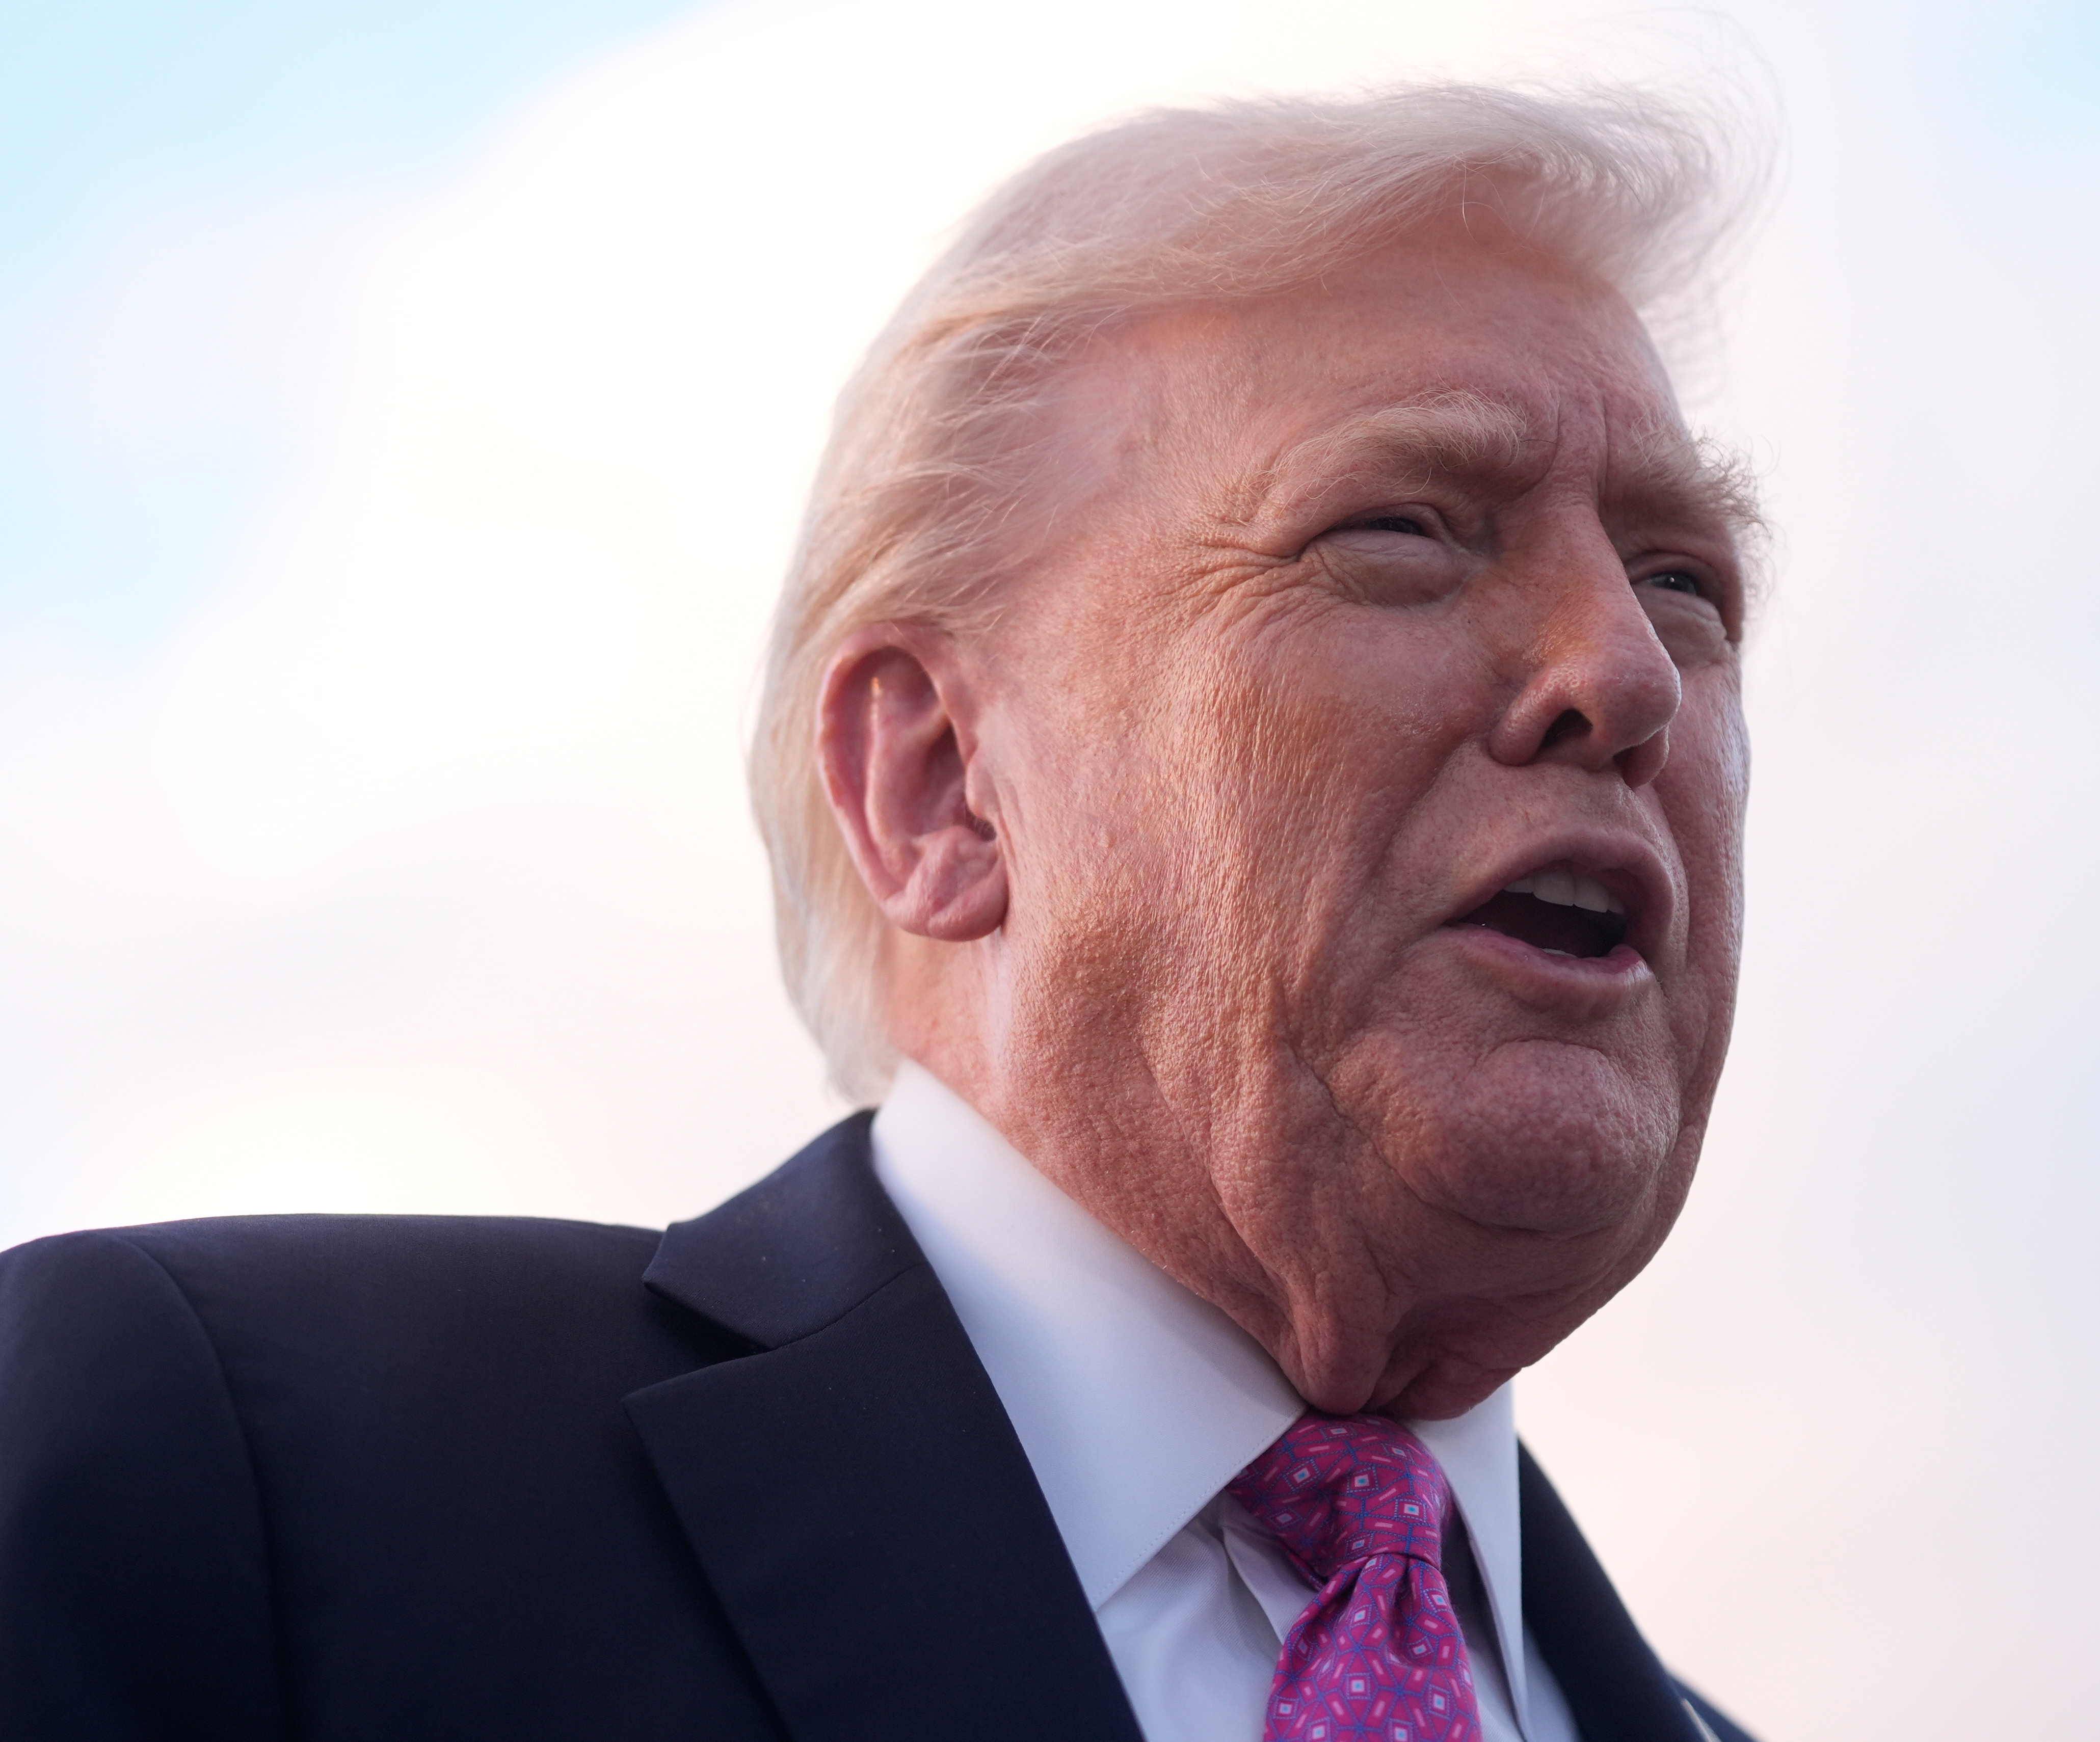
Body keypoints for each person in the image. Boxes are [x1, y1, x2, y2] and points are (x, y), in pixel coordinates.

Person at [0, 85, 1761, 1742]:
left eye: (1685, 579)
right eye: (1403, 532)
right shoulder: (227, 1488)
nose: (1622, 670)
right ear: (937, 785)